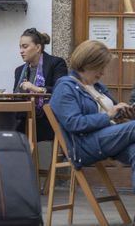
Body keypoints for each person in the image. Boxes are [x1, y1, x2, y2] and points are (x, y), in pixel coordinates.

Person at [50, 40, 135, 192]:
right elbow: (74, 123)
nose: (102, 73)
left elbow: (113, 116)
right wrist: (109, 114)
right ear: (87, 63)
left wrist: (124, 113)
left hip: (108, 139)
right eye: (100, 67)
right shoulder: (65, 87)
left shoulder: (97, 87)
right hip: (85, 144)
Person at [13, 28, 68, 141]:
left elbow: (62, 91)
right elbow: (16, 95)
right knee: (4, 118)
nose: (21, 51)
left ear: (38, 48)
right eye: (20, 47)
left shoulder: (56, 63)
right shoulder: (19, 71)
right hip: (24, 118)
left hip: (47, 118)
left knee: (17, 131)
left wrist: (35, 88)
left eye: (25, 46)